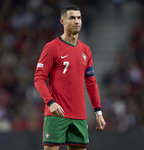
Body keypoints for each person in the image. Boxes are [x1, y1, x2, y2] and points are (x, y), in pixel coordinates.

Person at [34, 4, 106, 150]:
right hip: (56, 115)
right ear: (62, 21)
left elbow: (91, 83)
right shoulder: (51, 48)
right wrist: (50, 102)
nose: (77, 21)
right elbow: (39, 78)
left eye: (79, 18)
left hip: (79, 116)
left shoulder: (85, 50)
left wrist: (98, 112)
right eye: (72, 18)